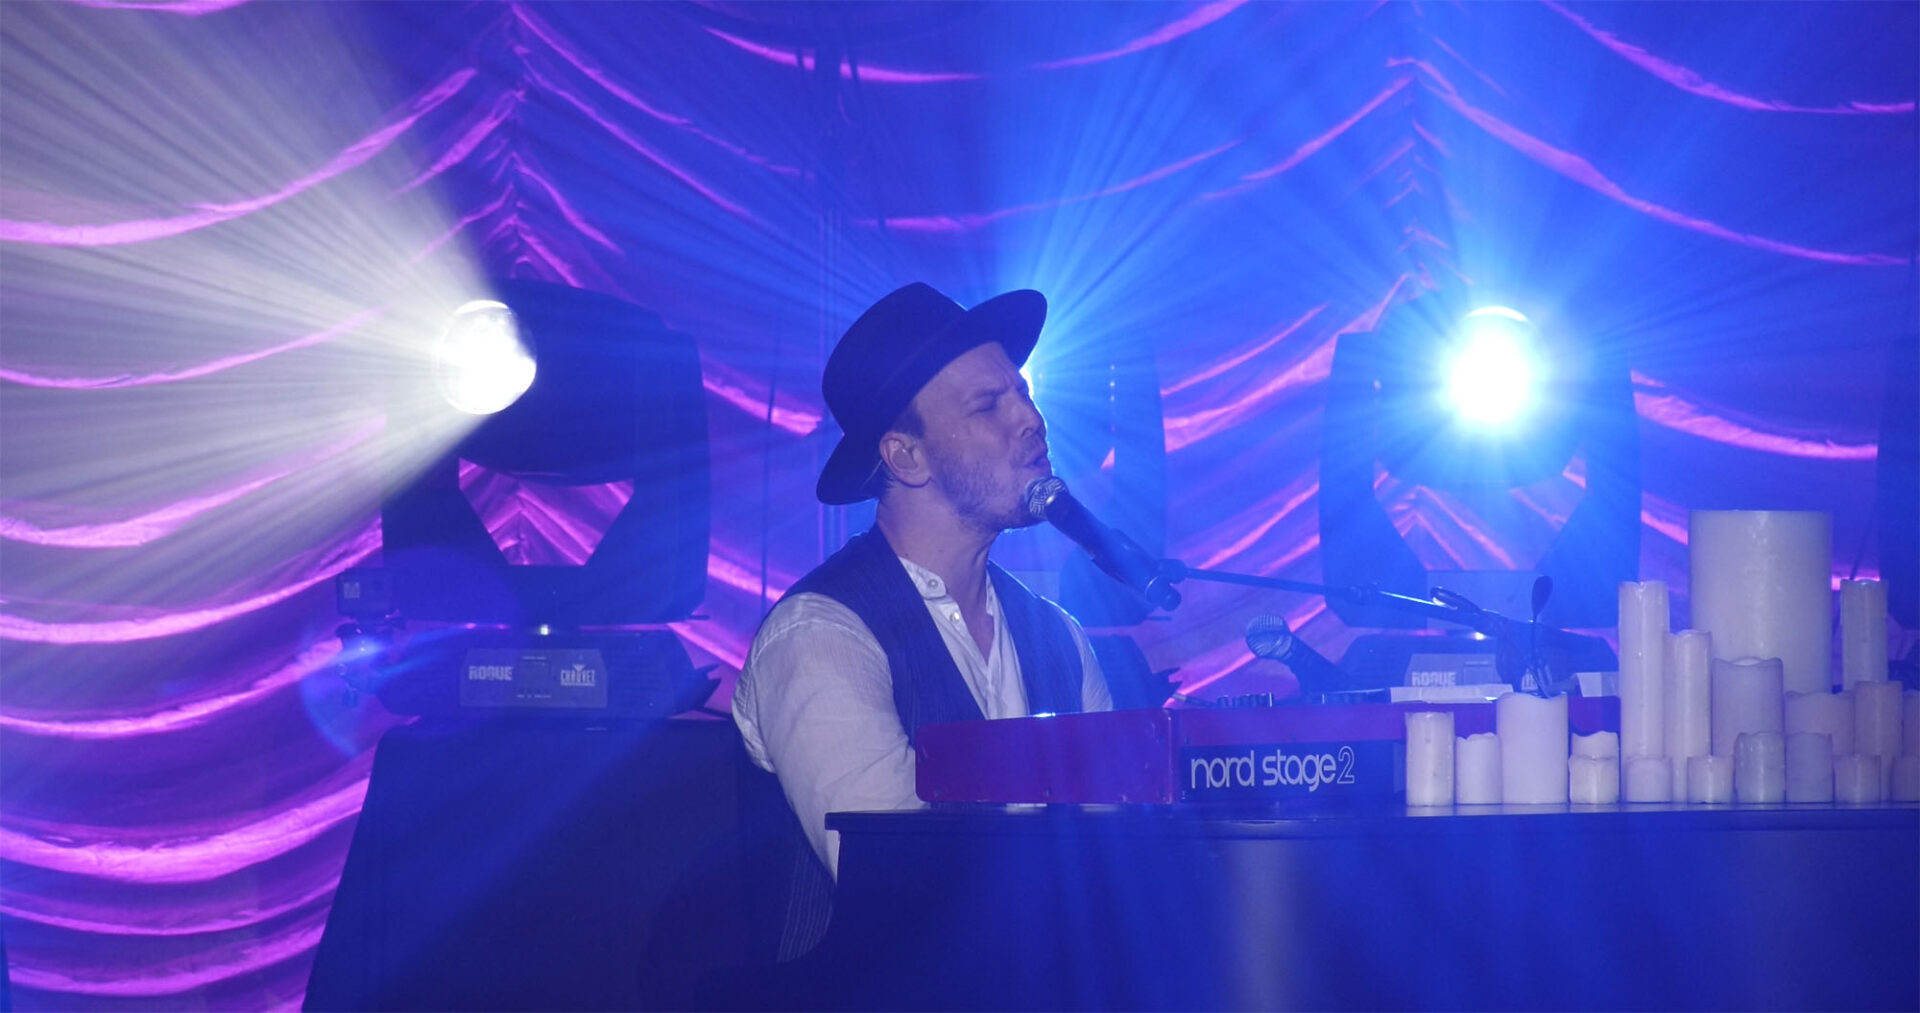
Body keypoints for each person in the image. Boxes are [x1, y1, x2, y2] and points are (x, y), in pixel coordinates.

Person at [732, 282, 1111, 895]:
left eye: (1023, 393)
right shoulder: (823, 635)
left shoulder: (1058, 636)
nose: (1031, 420)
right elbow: (894, 885)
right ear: (906, 457)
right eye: (987, 405)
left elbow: (1118, 853)